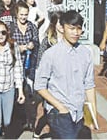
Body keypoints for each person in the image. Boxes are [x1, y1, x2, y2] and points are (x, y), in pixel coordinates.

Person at [34, 10, 97, 139]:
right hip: (59, 112)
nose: (76, 33)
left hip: (79, 111)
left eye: (78, 29)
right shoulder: (51, 54)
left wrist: (92, 116)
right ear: (62, 28)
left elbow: (89, 85)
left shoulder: (86, 53)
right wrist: (60, 107)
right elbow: (39, 86)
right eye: (72, 28)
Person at [10, 0, 39, 131]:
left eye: (25, 14)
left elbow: (36, 41)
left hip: (28, 65)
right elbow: (5, 44)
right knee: (16, 92)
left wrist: (32, 44)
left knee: (28, 92)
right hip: (14, 64)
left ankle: (29, 120)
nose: (23, 17)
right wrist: (17, 48)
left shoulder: (32, 26)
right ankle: (17, 120)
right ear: (16, 14)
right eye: (21, 14)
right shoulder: (10, 27)